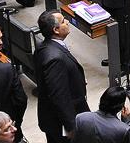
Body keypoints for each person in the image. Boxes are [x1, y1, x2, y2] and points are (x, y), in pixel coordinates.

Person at [35, 10, 89, 142]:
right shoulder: (55, 59)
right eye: (64, 21)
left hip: (53, 117)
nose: (67, 22)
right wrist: (70, 126)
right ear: (56, 30)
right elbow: (59, 95)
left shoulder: (43, 47)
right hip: (63, 121)